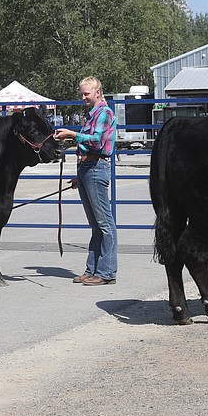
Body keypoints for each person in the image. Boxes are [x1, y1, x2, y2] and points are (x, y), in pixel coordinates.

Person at [54, 76, 117, 286]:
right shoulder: (93, 115)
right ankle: (92, 270)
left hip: (96, 167)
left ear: (97, 92)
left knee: (104, 223)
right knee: (96, 224)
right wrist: (80, 175)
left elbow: (97, 141)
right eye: (82, 93)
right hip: (88, 168)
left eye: (86, 94)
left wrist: (72, 134)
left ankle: (106, 272)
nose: (83, 97)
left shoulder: (104, 113)